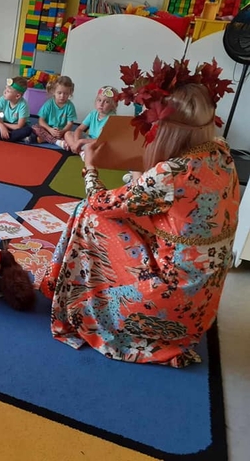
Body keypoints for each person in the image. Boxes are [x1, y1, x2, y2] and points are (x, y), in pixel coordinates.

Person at [41, 61, 239, 368]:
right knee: (122, 214)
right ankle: (64, 284)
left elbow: (99, 202)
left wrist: (90, 166)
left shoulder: (171, 172)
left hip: (169, 300)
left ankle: (77, 296)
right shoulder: (220, 151)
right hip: (202, 304)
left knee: (88, 213)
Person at [64, 86, 118, 153]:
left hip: (98, 143)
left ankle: (79, 150)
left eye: (106, 102)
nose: (101, 104)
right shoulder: (93, 114)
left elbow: (102, 140)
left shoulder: (112, 119)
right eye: (99, 100)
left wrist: (81, 141)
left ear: (113, 105)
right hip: (89, 139)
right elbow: (79, 129)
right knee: (68, 134)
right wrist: (76, 141)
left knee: (97, 148)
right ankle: (81, 151)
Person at [0, 77, 32, 142]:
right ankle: (15, 137)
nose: (4, 92)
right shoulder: (3, 99)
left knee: (28, 130)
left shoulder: (23, 105)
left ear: (17, 96)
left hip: (16, 127)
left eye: (8, 91)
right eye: (5, 89)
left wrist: (3, 124)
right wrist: (1, 126)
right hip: (5, 123)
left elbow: (19, 126)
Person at [32, 75, 76, 146]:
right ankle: (57, 141)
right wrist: (50, 129)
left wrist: (62, 131)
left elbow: (70, 124)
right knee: (35, 128)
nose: (62, 96)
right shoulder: (49, 104)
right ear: (54, 92)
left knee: (69, 135)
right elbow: (41, 120)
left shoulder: (70, 106)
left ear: (70, 93)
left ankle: (46, 139)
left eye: (66, 93)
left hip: (61, 131)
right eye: (59, 93)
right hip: (48, 129)